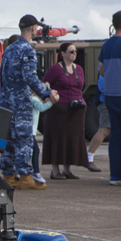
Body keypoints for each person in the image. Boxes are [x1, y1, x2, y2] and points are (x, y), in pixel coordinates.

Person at [0, 15, 58, 190]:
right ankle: (25, 177)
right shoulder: (28, 50)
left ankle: (8, 176)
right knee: (24, 139)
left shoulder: (9, 49)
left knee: (8, 140)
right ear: (33, 29)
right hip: (20, 103)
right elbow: (30, 77)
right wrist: (47, 93)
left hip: (6, 101)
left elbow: (1, 74)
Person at [41, 43, 89, 179]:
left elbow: (80, 87)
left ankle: (67, 170)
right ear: (62, 53)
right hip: (58, 111)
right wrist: (50, 96)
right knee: (57, 139)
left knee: (71, 139)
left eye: (75, 51)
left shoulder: (79, 69)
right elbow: (44, 85)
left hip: (76, 110)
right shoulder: (55, 69)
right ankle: (55, 170)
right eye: (71, 51)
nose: (74, 54)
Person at [99, 10, 121, 185]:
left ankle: (115, 175)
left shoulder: (106, 45)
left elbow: (101, 71)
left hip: (110, 95)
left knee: (116, 136)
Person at [30, 91, 52, 184]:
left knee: (28, 151)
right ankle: (36, 172)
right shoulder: (34, 99)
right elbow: (41, 108)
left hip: (28, 131)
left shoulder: (29, 99)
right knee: (35, 151)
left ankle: (17, 171)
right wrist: (51, 102)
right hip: (30, 131)